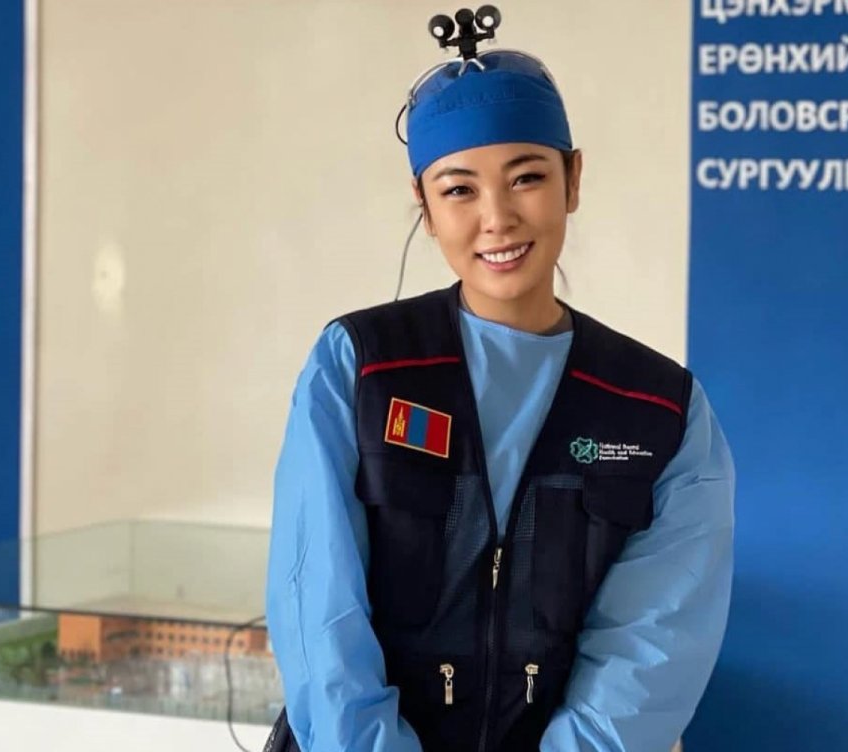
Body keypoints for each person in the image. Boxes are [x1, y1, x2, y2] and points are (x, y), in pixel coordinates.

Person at [265, 9, 734, 751]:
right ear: (424, 205)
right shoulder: (360, 367)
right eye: (459, 190)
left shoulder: (658, 411)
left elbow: (654, 649)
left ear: (573, 180)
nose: (498, 218)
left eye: (527, 178)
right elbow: (318, 611)